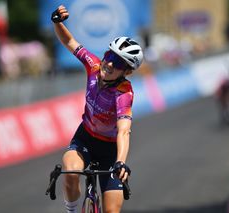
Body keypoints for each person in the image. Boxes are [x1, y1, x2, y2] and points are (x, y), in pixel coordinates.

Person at [51, 5, 143, 213]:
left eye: (118, 63)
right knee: (71, 172)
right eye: (110, 56)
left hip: (110, 150)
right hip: (86, 138)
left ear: (126, 71)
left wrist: (120, 162)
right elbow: (69, 41)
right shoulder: (93, 65)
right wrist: (57, 23)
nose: (109, 64)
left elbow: (123, 130)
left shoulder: (123, 93)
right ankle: (72, 211)